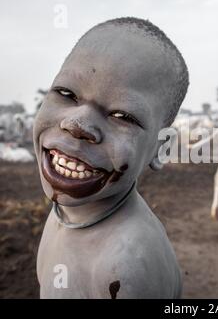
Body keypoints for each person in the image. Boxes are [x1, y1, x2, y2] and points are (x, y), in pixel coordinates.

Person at [33, 17, 189, 298]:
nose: (77, 125)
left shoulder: (126, 268)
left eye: (122, 116)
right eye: (66, 94)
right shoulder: (67, 214)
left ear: (161, 146)